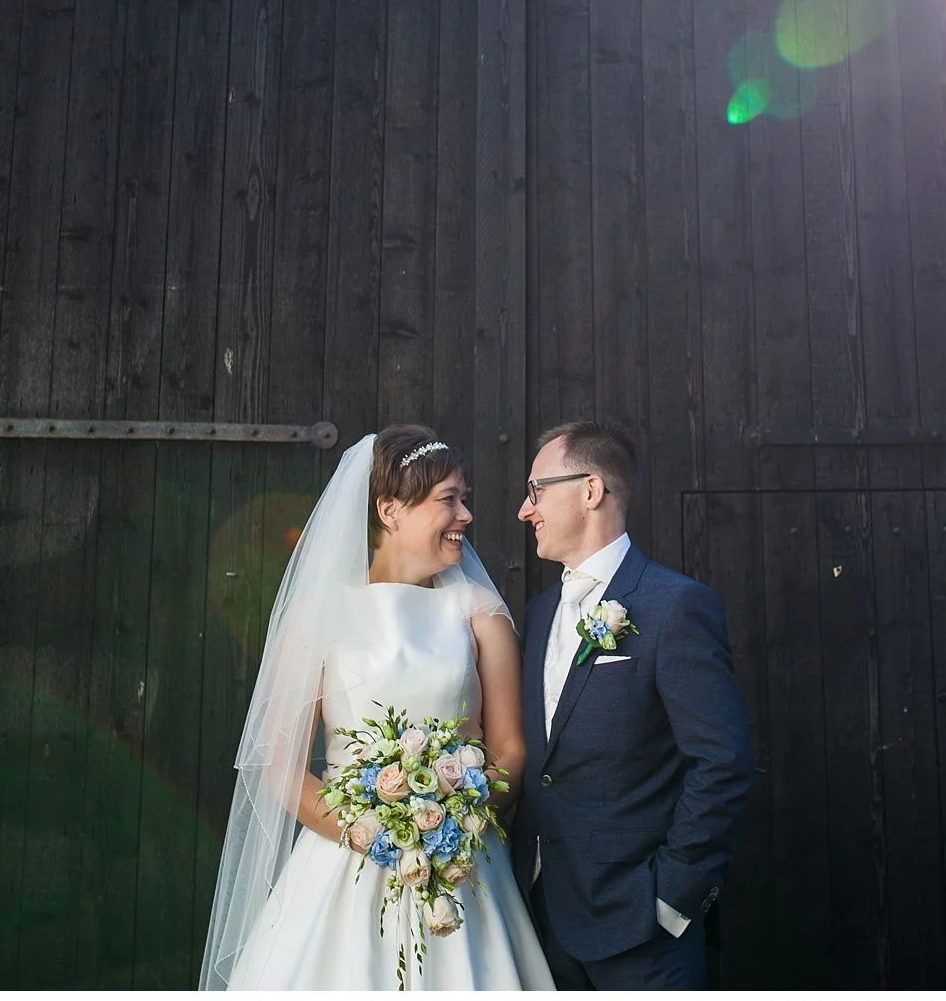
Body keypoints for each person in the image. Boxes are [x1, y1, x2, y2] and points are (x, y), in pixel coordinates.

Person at [201, 426, 554, 990]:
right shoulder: (322, 615)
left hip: (462, 866)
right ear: (390, 510)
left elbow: (509, 747)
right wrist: (377, 833)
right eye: (448, 500)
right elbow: (280, 765)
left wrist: (459, 821)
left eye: (464, 498)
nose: (465, 515)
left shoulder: (478, 610)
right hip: (345, 864)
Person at [512, 420, 757, 989]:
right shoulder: (540, 613)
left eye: (537, 490)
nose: (527, 511)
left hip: (642, 929)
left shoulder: (675, 607)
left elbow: (722, 762)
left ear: (591, 491)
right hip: (539, 919)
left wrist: (674, 897)